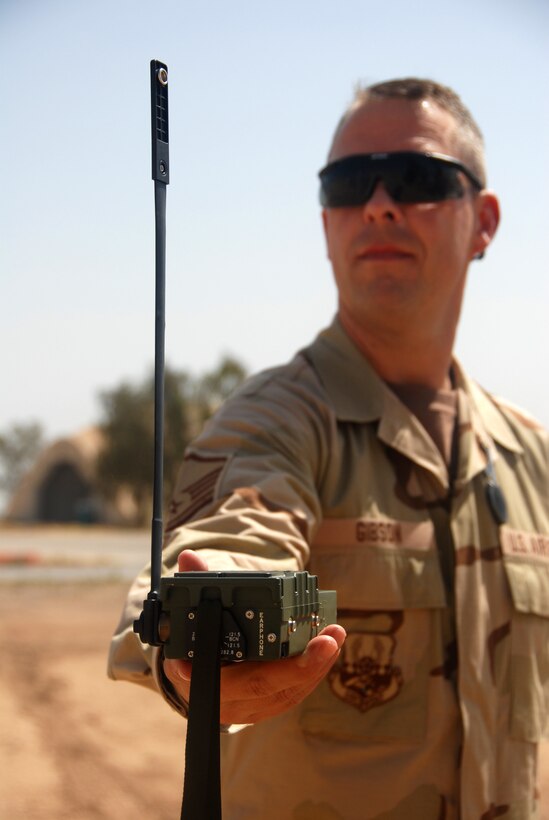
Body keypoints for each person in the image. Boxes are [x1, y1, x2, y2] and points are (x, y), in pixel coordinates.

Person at [109, 78, 549, 819]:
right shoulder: (276, 422)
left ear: (484, 221)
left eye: (415, 179)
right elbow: (229, 541)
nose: (377, 203)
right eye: (348, 184)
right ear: (324, 224)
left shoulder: (531, 456)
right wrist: (204, 640)